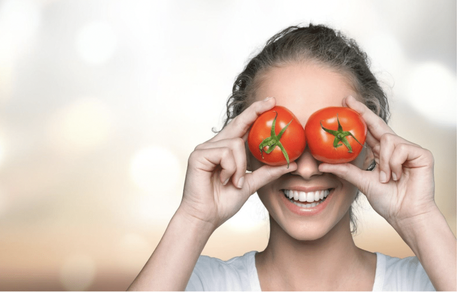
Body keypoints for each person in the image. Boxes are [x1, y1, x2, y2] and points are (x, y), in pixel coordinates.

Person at [128, 24, 456, 291]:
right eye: (279, 135)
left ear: (370, 146)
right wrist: (194, 218)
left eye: (331, 138)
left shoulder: (431, 282)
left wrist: (419, 218)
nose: (307, 169)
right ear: (243, 148)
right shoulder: (194, 283)